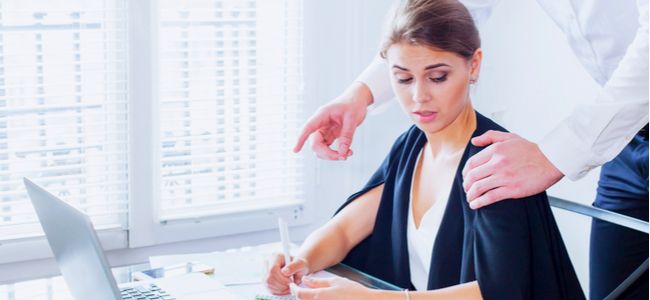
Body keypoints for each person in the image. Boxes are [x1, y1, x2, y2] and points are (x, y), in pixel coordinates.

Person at [293, 1, 648, 298]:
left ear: (473, 65)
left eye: (437, 77)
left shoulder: (492, 163)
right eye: (402, 78)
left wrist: (554, 154)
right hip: (628, 132)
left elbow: (502, 290)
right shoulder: (410, 148)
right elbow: (447, 16)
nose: (418, 96)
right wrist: (360, 94)